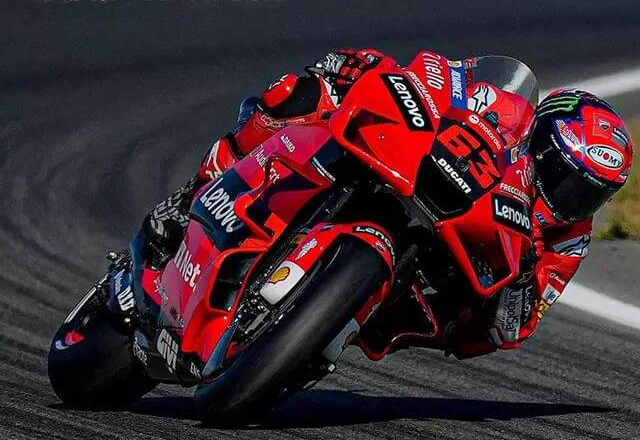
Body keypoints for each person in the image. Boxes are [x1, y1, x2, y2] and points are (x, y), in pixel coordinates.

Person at [143, 49, 633, 361]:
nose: (572, 197)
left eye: (589, 192)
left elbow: (514, 329)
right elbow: (436, 77)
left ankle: (318, 333)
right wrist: (369, 69)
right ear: (540, 140)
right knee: (299, 94)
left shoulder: (569, 237)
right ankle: (190, 197)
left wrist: (519, 281)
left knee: (447, 319)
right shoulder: (503, 107)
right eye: (565, 175)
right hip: (407, 171)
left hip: (435, 273)